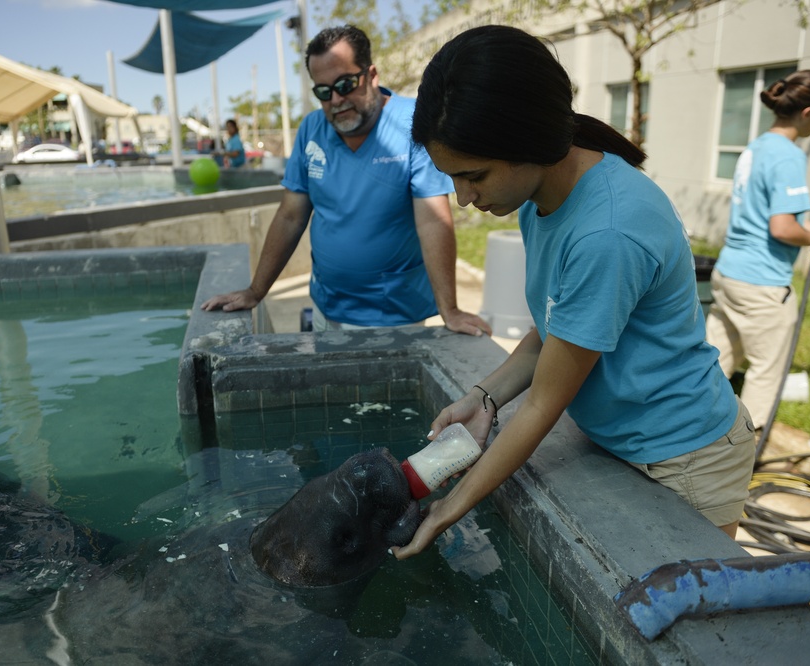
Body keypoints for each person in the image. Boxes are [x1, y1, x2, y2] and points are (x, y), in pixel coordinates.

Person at [391, 25, 756, 560]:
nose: (464, 199)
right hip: (621, 441)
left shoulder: (607, 232)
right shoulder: (545, 195)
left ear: (528, 144)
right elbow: (554, 331)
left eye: (474, 176)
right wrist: (483, 397)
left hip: (683, 457)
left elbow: (543, 404)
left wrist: (451, 506)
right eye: (453, 179)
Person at [201, 25, 490, 336]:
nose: (336, 99)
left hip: (396, 315)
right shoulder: (312, 129)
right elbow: (290, 217)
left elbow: (433, 221)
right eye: (323, 91)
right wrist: (255, 291)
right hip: (328, 307)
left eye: (345, 83)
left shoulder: (414, 124)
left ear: (372, 75)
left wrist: (450, 309)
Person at [705, 71, 810, 430]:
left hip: (730, 274)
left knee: (710, 367)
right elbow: (781, 227)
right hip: (763, 284)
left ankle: (686, 438)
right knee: (765, 375)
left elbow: (761, 214)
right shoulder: (788, 156)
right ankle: (747, 456)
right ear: (808, 111)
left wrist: (809, 230)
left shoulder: (757, 146)